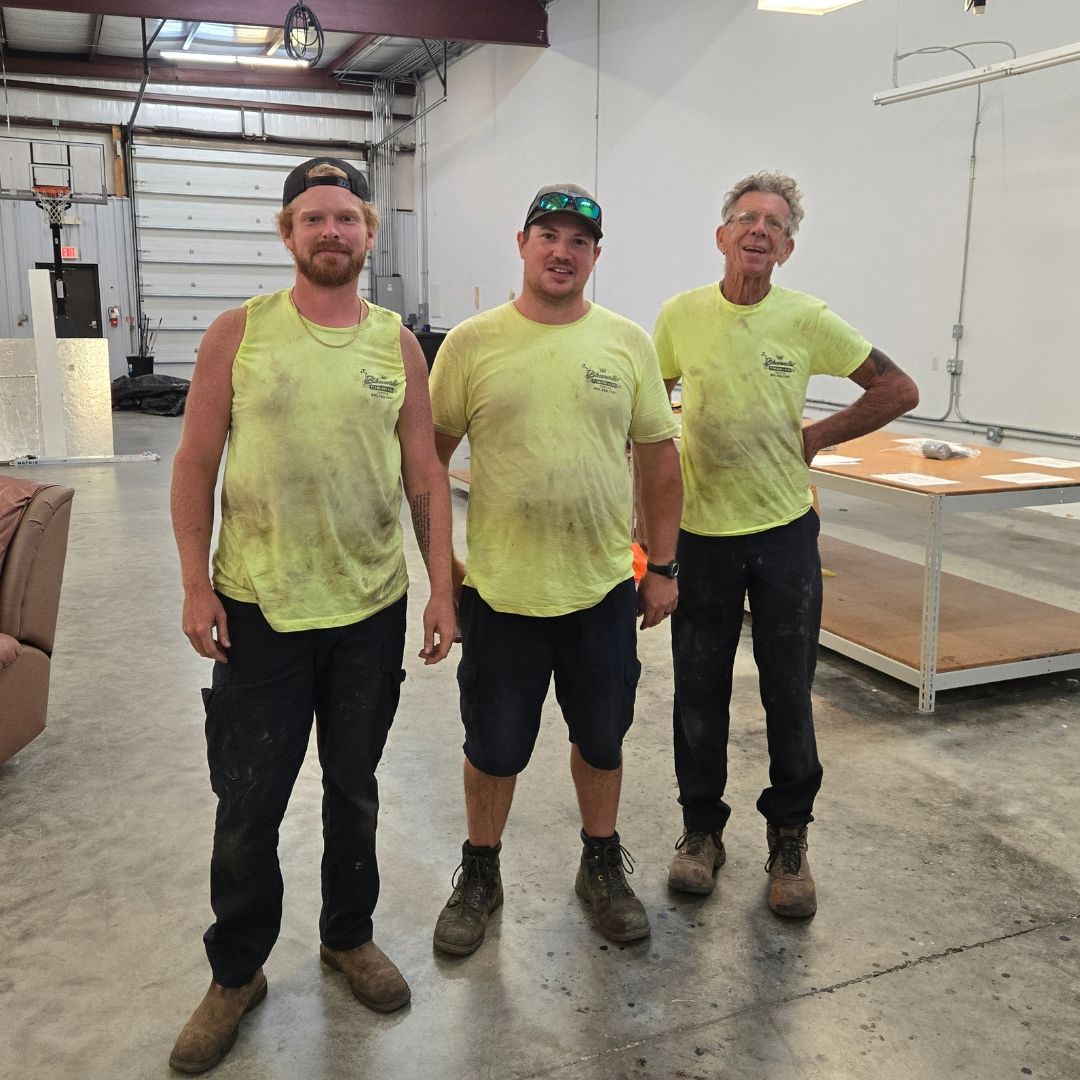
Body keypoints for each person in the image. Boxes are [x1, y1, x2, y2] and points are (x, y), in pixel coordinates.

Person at [168, 157, 455, 1073]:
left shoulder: (398, 345)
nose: (332, 232)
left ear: (369, 234)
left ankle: (346, 936)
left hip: (370, 604)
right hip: (259, 607)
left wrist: (442, 584)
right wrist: (193, 582)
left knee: (355, 786)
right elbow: (192, 465)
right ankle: (236, 972)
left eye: (347, 218)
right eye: (313, 218)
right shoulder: (237, 334)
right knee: (248, 801)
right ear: (288, 233)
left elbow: (423, 473)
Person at [654, 171, 919, 918]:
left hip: (782, 536)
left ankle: (790, 838)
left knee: (787, 693)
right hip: (701, 536)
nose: (758, 231)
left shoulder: (807, 320)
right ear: (722, 235)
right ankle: (701, 832)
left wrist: (815, 438)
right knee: (697, 692)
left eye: (773, 223)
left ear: (788, 247)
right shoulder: (680, 316)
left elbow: (898, 389)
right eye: (746, 219)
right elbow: (650, 404)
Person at [428, 184, 682, 955]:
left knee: (602, 739)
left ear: (596, 256)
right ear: (523, 243)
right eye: (549, 235)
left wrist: (664, 566)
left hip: (601, 590)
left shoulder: (626, 342)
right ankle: (481, 871)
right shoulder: (471, 344)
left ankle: (600, 863)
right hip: (501, 594)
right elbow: (425, 468)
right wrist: (445, 578)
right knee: (494, 747)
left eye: (579, 241)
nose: (562, 251)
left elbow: (659, 461)